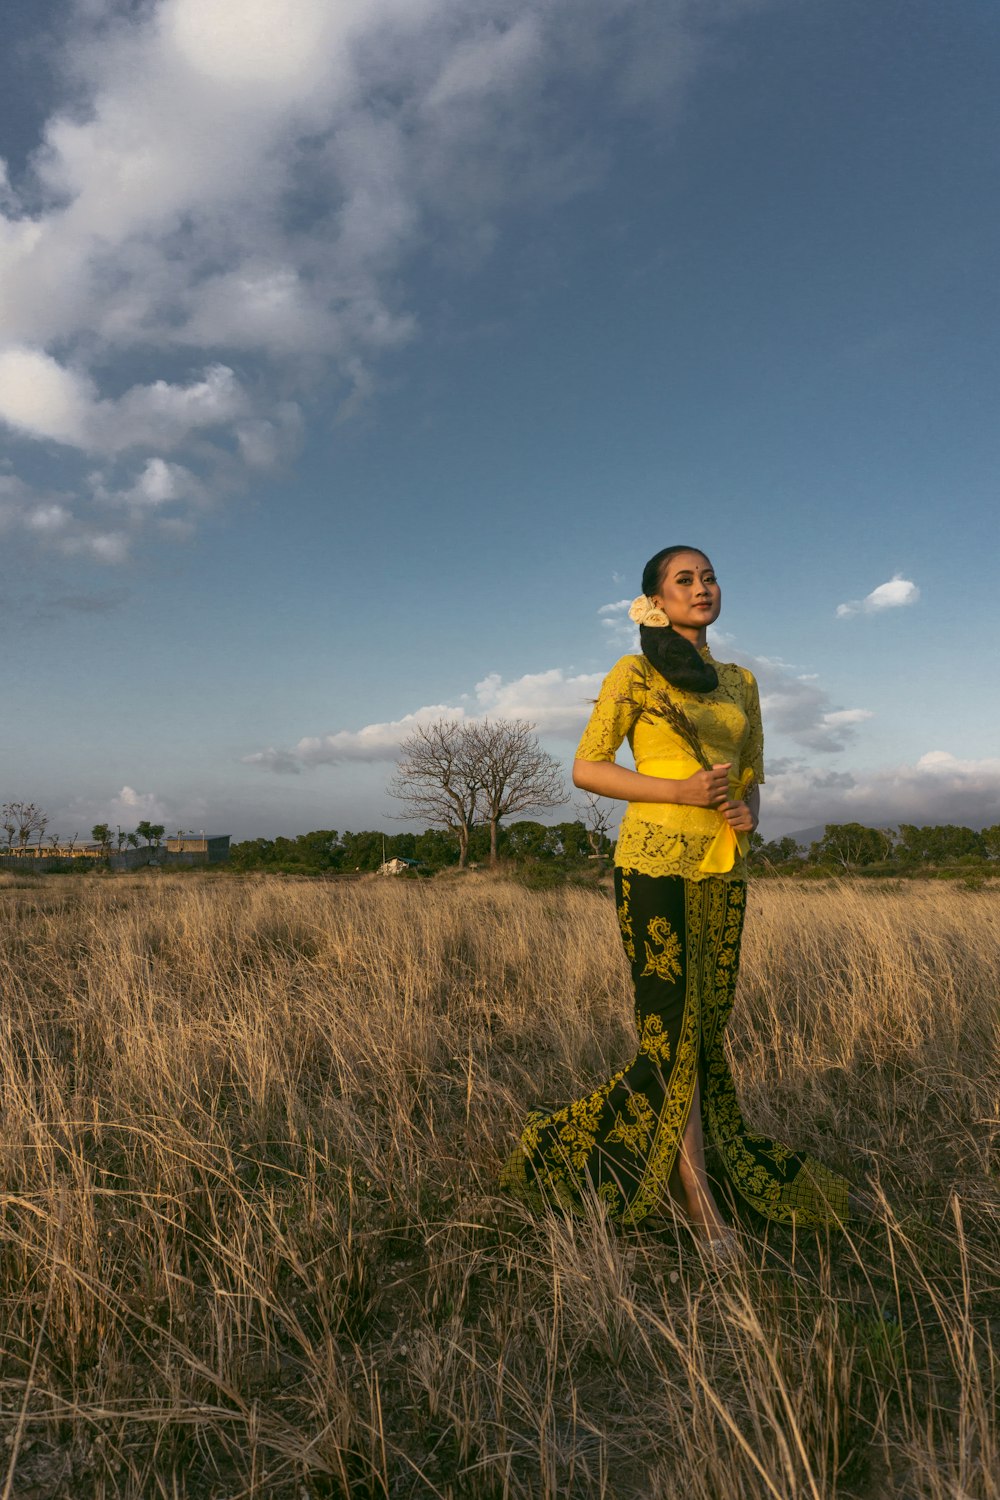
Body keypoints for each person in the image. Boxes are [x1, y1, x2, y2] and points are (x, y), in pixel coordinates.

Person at [500, 545, 856, 1256]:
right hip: (653, 865)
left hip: (723, 869)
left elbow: (750, 776)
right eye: (685, 579)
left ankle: (684, 1163)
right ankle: (695, 1195)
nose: (703, 587)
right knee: (670, 1031)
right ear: (655, 602)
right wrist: (677, 792)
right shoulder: (634, 673)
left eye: (710, 576)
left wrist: (748, 809)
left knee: (706, 1029)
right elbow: (586, 768)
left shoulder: (740, 682)